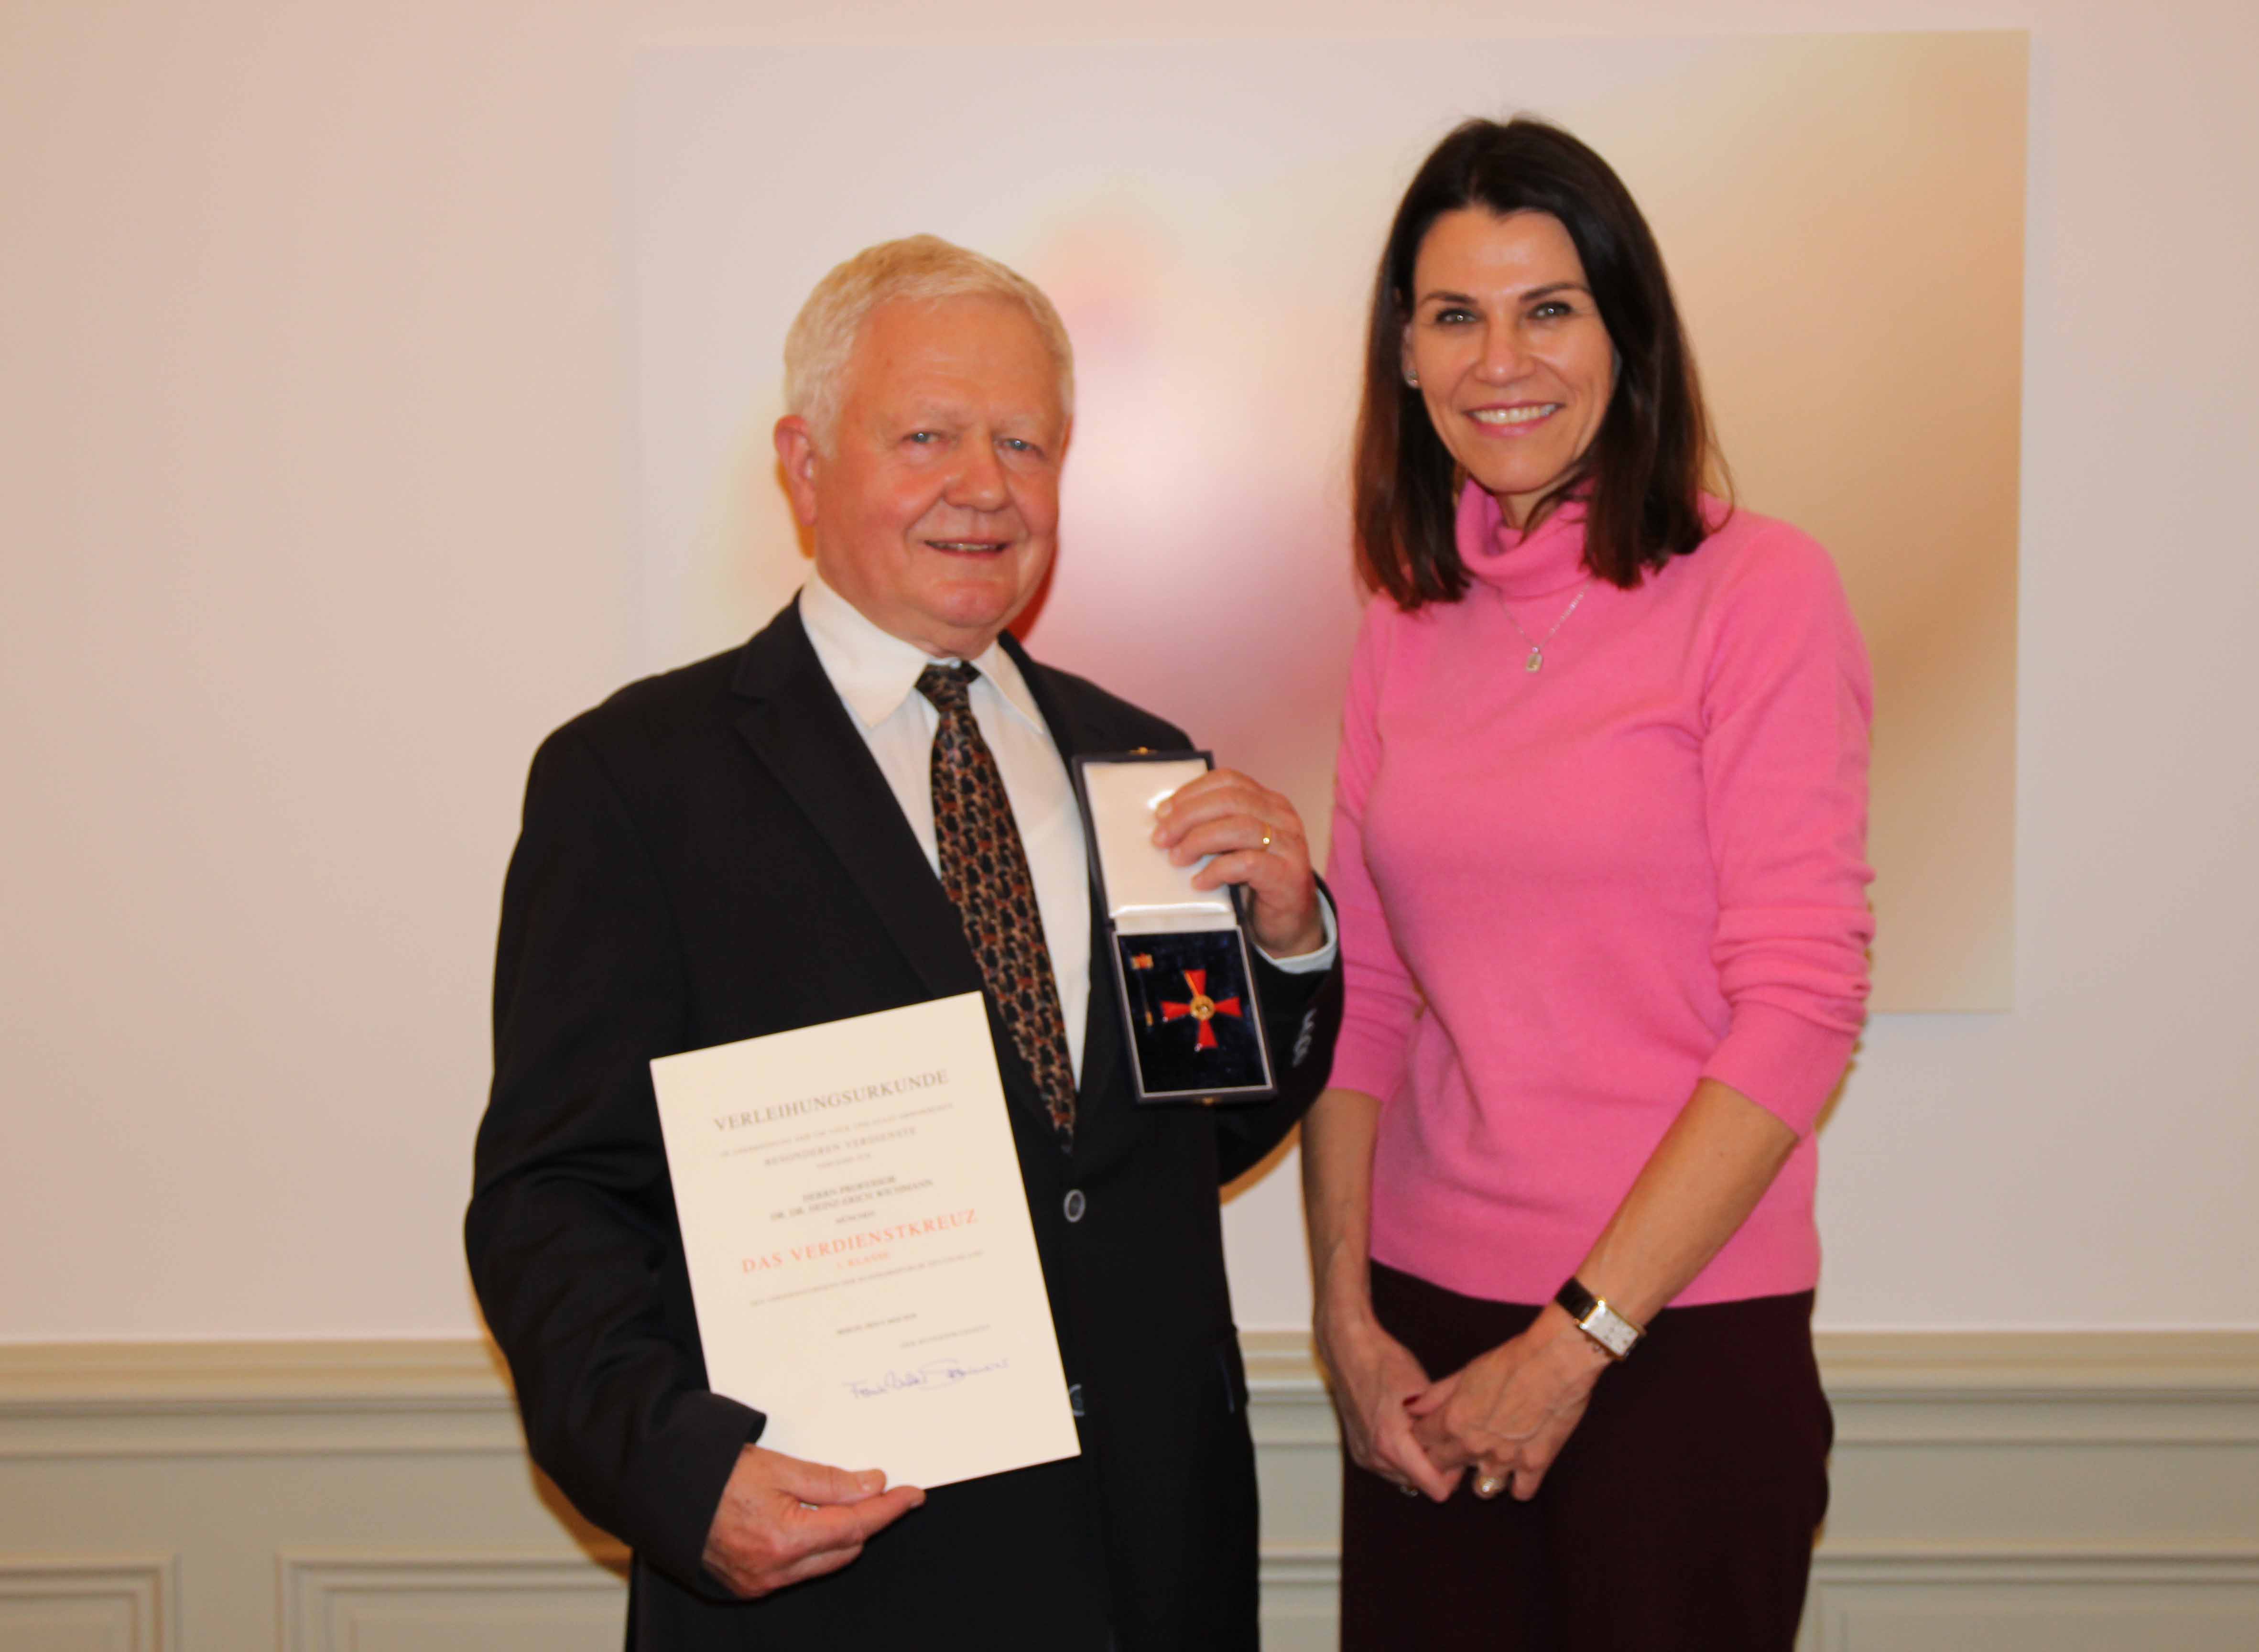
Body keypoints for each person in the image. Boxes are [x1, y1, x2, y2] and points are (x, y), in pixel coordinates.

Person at [467, 234, 1342, 1652]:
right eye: (926, 434)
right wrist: (681, 1478)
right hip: (838, 1574)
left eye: (1023, 442)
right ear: (804, 464)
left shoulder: (1142, 765)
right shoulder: (635, 780)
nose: (983, 486)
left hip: (1147, 1559)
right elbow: (553, 1198)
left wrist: (1290, 949)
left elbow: (1167, 1145)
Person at [1302, 118, 1873, 1650]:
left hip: (1674, 1340)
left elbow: (1802, 1006)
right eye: (1453, 314)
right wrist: (1343, 1323)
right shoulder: (1401, 623)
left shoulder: (1758, 592)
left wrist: (1577, 1339)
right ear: (1404, 356)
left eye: (1549, 306)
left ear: (1626, 333)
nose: (1504, 359)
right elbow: (1362, 1000)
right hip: (1418, 1340)